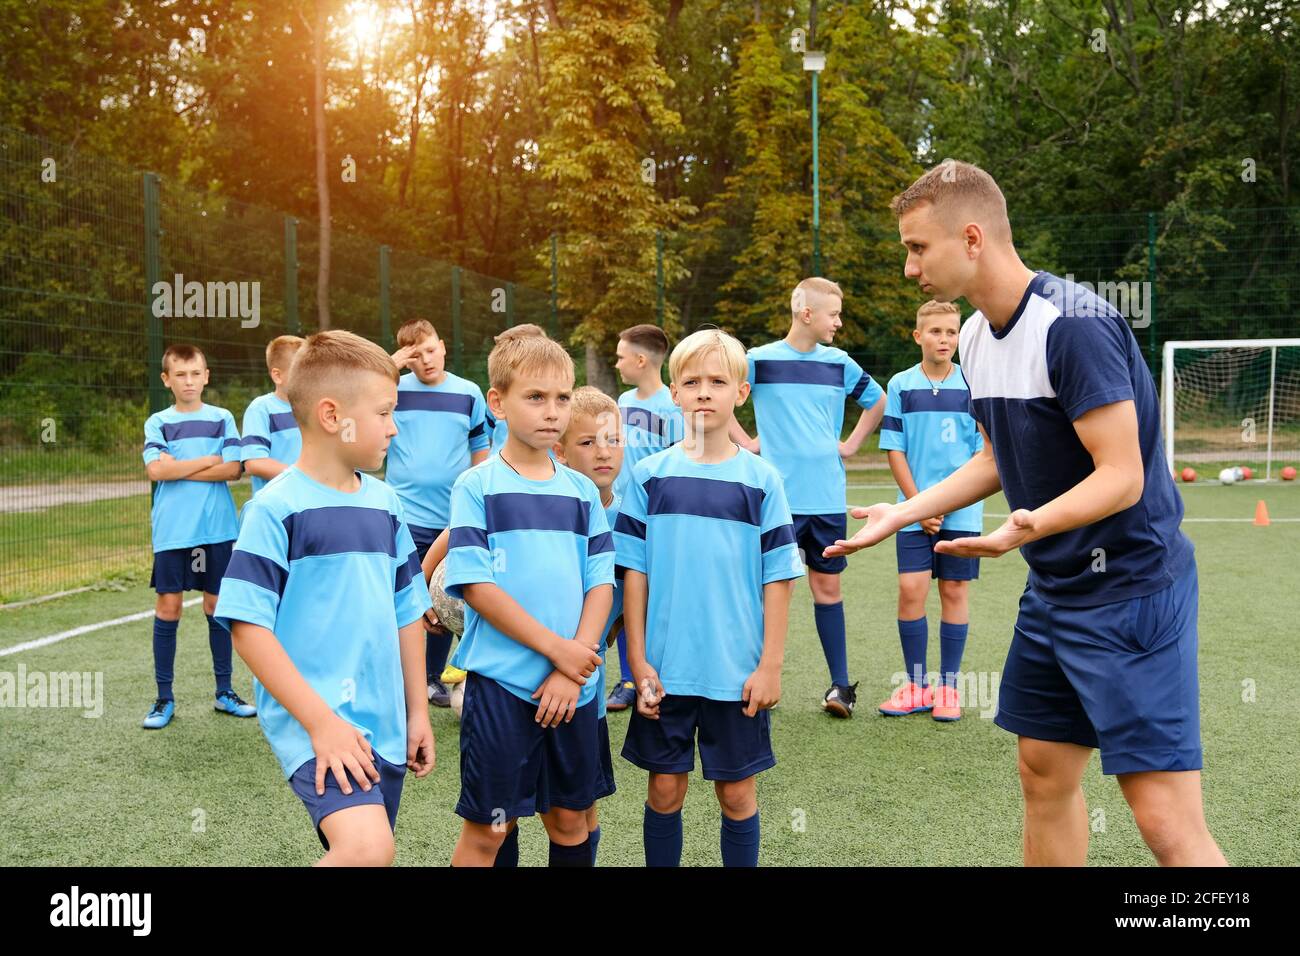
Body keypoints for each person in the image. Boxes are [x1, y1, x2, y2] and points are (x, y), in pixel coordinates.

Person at [826, 159, 1226, 866]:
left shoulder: (1073, 326)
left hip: (1131, 591)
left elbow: (1123, 476)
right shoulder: (977, 336)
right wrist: (904, 513)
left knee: (1163, 820)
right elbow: (992, 461)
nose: (910, 268)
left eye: (918, 248)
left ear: (972, 238)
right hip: (1056, 590)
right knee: (1042, 770)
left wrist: (1026, 526)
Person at [214, 330, 435, 865]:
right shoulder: (276, 508)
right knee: (368, 849)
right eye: (384, 413)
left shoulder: (386, 504)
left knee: (367, 852)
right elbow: (247, 625)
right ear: (334, 416)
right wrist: (321, 723)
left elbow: (408, 611)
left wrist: (418, 710)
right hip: (318, 725)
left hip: (383, 725)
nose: (394, 426)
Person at [617, 329, 803, 866]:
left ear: (740, 393)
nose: (704, 392)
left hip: (736, 670)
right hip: (666, 669)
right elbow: (634, 573)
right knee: (664, 791)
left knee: (737, 794)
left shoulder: (762, 480)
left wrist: (770, 665)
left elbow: (779, 578)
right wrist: (637, 660)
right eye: (691, 381)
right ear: (673, 392)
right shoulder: (650, 477)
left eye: (717, 381)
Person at [443, 334, 614, 867]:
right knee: (490, 830)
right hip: (502, 686)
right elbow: (476, 586)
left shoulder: (582, 492)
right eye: (535, 397)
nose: (552, 412)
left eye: (562, 398)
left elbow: (600, 583)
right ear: (498, 403)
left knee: (569, 823)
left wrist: (573, 663)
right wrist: (557, 651)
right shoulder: (476, 486)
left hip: (575, 690)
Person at [730, 278, 885, 718]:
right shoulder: (757, 360)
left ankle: (840, 687)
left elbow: (877, 401)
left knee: (827, 587)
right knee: (765, 589)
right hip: (773, 498)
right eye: (834, 313)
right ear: (806, 313)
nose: (839, 322)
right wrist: (747, 443)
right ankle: (752, 679)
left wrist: (852, 444)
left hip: (826, 498)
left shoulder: (840, 363)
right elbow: (722, 391)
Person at [877, 300, 983, 720]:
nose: (944, 339)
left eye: (951, 332)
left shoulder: (973, 385)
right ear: (918, 336)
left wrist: (946, 503)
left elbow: (982, 454)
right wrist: (920, 507)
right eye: (935, 332)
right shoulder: (901, 385)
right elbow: (895, 451)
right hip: (912, 513)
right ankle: (917, 686)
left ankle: (949, 690)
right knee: (911, 591)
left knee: (954, 592)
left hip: (962, 512)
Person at [140, 343, 252, 729]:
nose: (188, 381)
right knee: (168, 608)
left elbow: (235, 468)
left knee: (217, 607)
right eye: (180, 375)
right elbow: (156, 471)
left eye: (195, 374)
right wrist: (208, 459)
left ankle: (224, 692)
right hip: (173, 531)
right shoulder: (157, 422)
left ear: (206, 376)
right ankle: (163, 698)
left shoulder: (222, 418)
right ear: (166, 380)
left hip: (216, 529)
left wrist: (181, 466)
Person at [386, 319, 489, 706]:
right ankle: (402, 680)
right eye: (415, 355)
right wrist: (392, 365)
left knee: (445, 595)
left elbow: (480, 443)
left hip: (453, 516)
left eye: (430, 349)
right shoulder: (392, 389)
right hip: (405, 516)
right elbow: (358, 389)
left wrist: (475, 492)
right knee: (404, 599)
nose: (425, 360)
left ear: (443, 346)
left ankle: (433, 678)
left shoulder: (468, 392)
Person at [606, 323, 684, 711]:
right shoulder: (620, 401)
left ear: (640, 359)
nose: (617, 363)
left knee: (655, 596)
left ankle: (659, 669)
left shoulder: (674, 408)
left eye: (621, 356)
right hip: (624, 517)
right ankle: (626, 678)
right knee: (623, 593)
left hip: (661, 520)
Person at [241, 335, 305, 496]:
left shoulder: (316, 408)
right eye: (300, 371)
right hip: (278, 506)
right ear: (277, 375)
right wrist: (306, 478)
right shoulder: (261, 408)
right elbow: (254, 463)